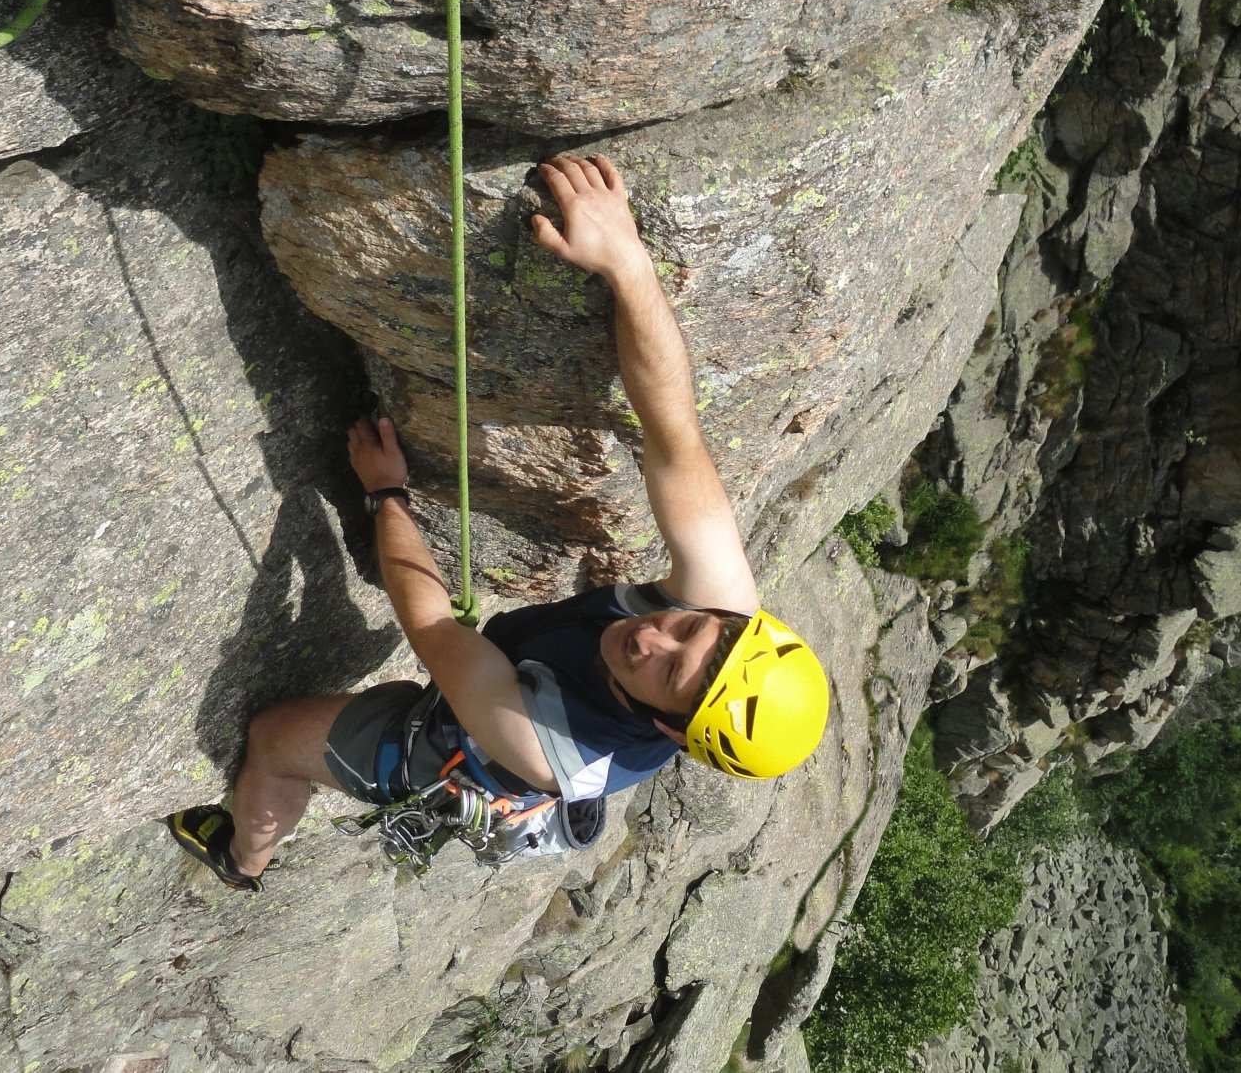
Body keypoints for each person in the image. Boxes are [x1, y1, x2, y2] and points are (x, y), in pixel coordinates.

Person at [167, 154, 828, 889]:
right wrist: (627, 265)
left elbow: (436, 631)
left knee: (272, 737)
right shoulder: (720, 605)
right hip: (520, 690)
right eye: (686, 629)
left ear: (670, 730)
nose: (652, 633)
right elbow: (673, 432)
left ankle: (241, 859)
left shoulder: (552, 747)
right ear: (731, 622)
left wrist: (387, 496)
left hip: (468, 746)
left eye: (667, 669)